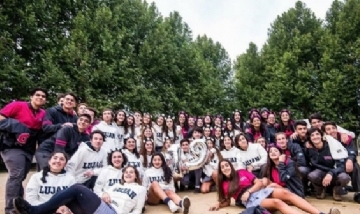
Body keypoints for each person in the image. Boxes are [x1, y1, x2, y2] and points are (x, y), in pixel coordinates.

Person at [208, 159, 341, 214]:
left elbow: (258, 183)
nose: (225, 168)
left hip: (258, 192)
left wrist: (250, 191)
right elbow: (226, 200)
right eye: (222, 167)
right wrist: (218, 204)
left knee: (287, 194)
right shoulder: (224, 184)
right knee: (277, 202)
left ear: (230, 166)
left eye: (227, 165)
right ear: (220, 171)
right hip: (250, 201)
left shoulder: (241, 172)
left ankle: (320, 213)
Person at [13, 166, 147, 214]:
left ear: (136, 175)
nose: (128, 174)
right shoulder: (115, 186)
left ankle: (35, 211)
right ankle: (39, 211)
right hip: (99, 208)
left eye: (131, 172)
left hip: (113, 211)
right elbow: (99, 194)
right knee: (67, 197)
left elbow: (137, 210)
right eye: (126, 172)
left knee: (77, 189)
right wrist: (105, 193)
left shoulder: (141, 189)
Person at [0, 88, 48, 214]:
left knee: (20, 177)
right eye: (37, 95)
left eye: (43, 96)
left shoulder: (43, 113)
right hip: (11, 146)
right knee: (16, 174)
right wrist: (16, 126)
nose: (40, 97)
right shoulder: (17, 105)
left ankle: (18, 206)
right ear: (31, 96)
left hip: (28, 148)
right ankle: (10, 210)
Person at [306, 128, 350, 201]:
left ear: (321, 136)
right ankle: (321, 190)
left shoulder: (332, 146)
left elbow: (341, 166)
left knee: (345, 177)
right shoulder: (309, 149)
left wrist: (331, 173)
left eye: (317, 134)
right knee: (312, 175)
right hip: (321, 172)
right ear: (309, 138)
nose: (315, 137)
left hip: (335, 172)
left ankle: (337, 191)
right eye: (312, 135)